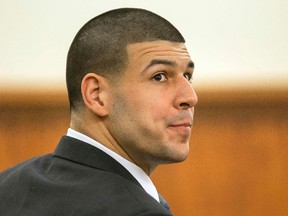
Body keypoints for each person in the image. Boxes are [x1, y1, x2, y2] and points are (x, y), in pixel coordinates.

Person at [0, 8, 198, 216]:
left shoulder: (5, 187)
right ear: (97, 95)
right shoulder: (137, 211)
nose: (190, 97)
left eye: (187, 76)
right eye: (159, 76)